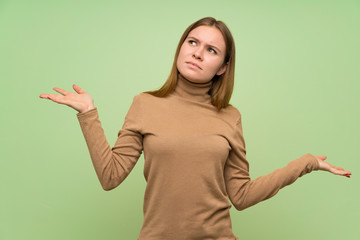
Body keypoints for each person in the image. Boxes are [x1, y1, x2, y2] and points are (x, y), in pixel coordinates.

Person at [40, 17, 351, 240]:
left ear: (223, 67)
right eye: (192, 42)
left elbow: (241, 195)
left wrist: (306, 163)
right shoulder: (145, 104)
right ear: (181, 47)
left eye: (212, 50)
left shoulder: (230, 117)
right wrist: (89, 113)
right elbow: (110, 177)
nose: (198, 53)